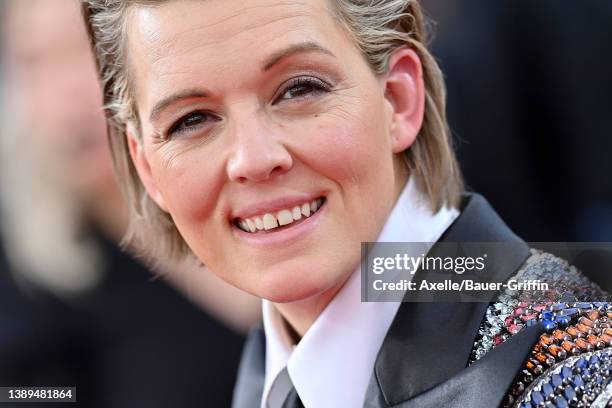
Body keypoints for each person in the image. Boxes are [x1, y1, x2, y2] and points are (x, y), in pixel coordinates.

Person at [81, 1, 611, 407]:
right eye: (191, 120)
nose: (253, 158)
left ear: (398, 100)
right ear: (147, 166)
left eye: (298, 89)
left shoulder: (581, 372)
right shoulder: (272, 373)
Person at [0, 1, 260, 406]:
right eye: (33, 62)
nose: (62, 91)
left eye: (83, 48)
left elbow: (385, 280)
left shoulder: (262, 171)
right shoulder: (33, 272)